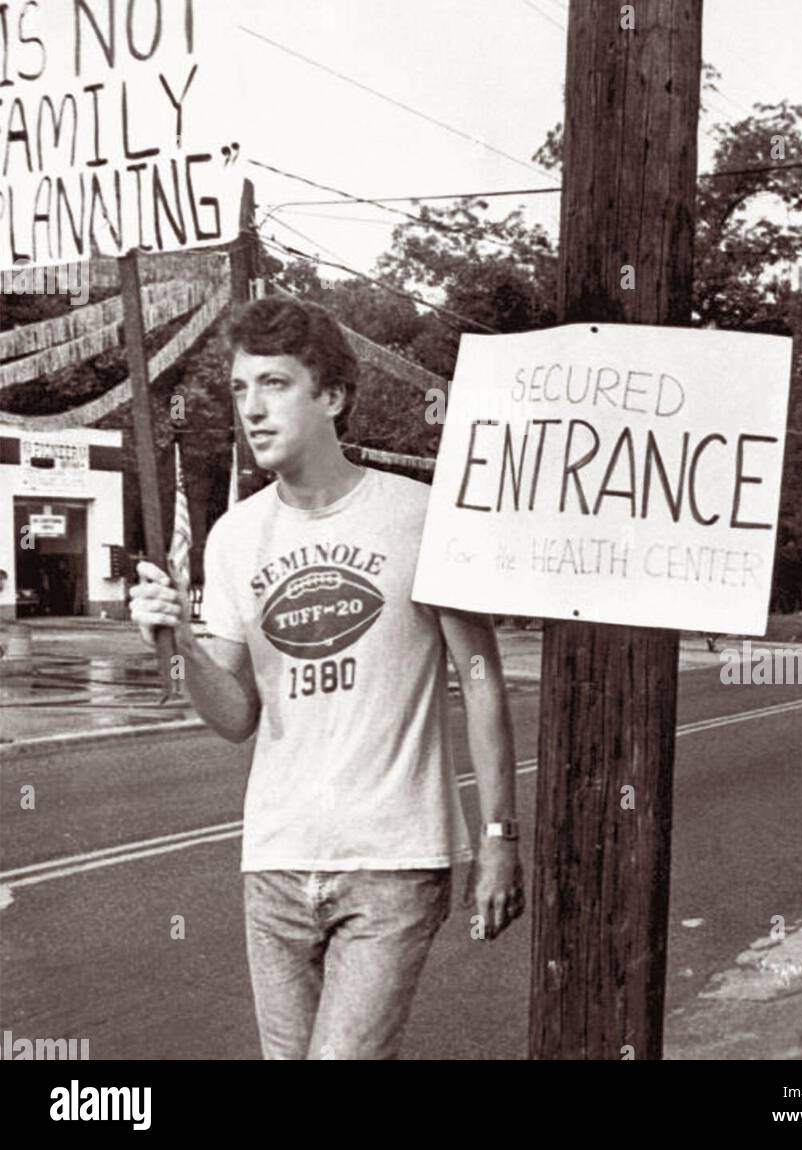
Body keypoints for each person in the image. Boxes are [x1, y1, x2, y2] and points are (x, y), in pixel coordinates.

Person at [130, 296, 523, 1060]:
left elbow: (480, 678)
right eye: (241, 390)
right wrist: (178, 640)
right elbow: (235, 713)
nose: (252, 409)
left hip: (393, 861)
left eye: (274, 384)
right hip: (275, 861)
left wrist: (500, 838)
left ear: (332, 396)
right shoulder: (236, 536)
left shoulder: (419, 516)